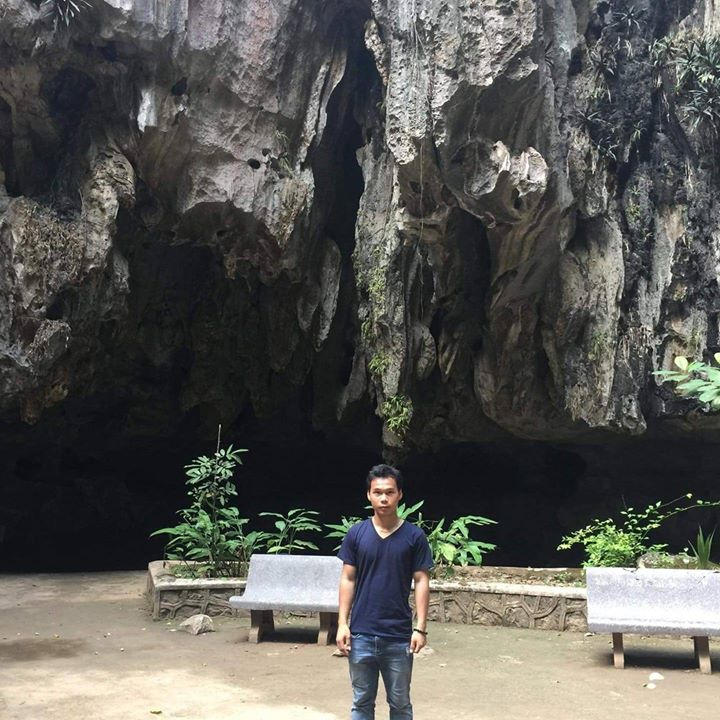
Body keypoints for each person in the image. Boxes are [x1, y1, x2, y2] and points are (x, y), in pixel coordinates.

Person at [336, 464, 432, 720]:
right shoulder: (357, 534)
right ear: (368, 495)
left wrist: (420, 628)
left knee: (400, 703)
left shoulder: (414, 536)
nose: (384, 498)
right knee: (361, 702)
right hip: (361, 632)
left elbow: (421, 580)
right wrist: (342, 624)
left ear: (400, 494)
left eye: (389, 492)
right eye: (377, 492)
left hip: (398, 634)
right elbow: (348, 578)